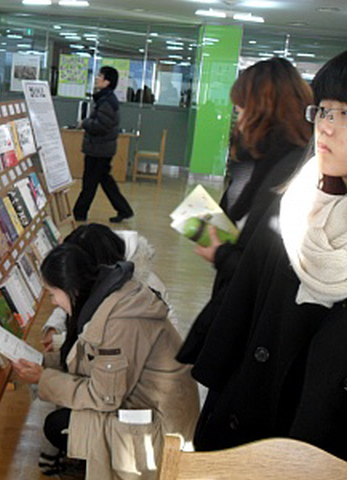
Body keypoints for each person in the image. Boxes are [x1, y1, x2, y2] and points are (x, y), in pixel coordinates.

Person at [187, 50, 347, 461]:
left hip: (313, 443)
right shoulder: (300, 197)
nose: (326, 126)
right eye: (323, 111)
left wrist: (221, 253)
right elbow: (252, 291)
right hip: (250, 406)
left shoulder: (287, 172)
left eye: (344, 114)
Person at [13, 243, 199, 479]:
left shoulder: (119, 321)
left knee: (59, 425)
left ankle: (86, 466)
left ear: (70, 288)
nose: (53, 302)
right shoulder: (113, 298)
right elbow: (96, 361)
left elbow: (103, 396)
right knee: (66, 418)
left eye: (52, 293)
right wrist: (44, 362)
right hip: (148, 407)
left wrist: (44, 378)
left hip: (161, 431)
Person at [177, 57, 313, 364]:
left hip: (255, 321)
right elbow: (237, 219)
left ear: (262, 109)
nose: (236, 117)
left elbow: (271, 269)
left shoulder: (292, 172)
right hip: (232, 296)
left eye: (241, 108)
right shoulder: (252, 159)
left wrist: (220, 254)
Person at [41, 224, 173, 352]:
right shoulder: (106, 276)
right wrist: (55, 327)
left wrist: (63, 340)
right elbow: (75, 299)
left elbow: (108, 343)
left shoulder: (139, 290)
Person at [73, 66, 134, 223]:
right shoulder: (105, 99)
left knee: (90, 183)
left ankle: (79, 213)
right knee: (105, 181)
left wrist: (85, 123)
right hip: (101, 148)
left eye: (100, 76)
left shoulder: (106, 101)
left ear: (107, 82)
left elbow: (101, 126)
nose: (96, 78)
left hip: (98, 149)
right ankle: (124, 210)